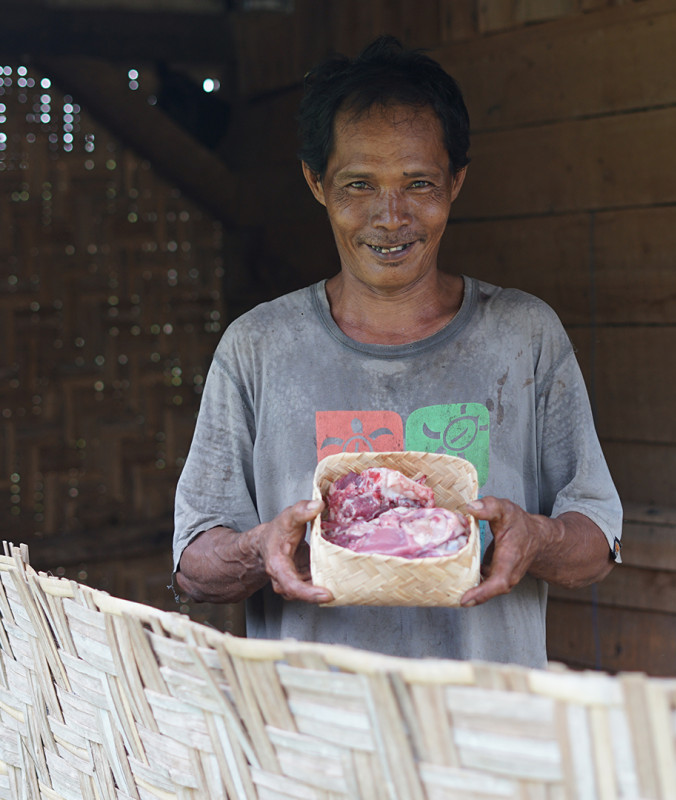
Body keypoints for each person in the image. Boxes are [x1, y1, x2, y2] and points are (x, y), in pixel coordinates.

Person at [172, 36, 622, 668]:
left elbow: (597, 543)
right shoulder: (259, 349)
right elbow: (193, 566)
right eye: (359, 183)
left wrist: (538, 538)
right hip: (314, 740)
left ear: (456, 182)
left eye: (419, 182)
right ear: (317, 183)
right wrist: (259, 548)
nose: (391, 216)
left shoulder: (523, 337)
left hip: (482, 736)